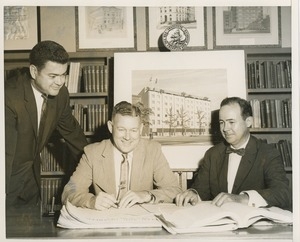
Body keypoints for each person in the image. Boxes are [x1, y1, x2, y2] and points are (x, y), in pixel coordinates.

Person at [5, 40, 88, 207]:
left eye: (63, 74)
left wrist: (97, 169)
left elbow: (74, 135)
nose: (60, 82)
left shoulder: (60, 94)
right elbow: (5, 155)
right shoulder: (8, 97)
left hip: (31, 181)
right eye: (53, 76)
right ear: (34, 71)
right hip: (5, 180)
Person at [62, 101, 182, 210]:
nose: (127, 137)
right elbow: (69, 192)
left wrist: (147, 195)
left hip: (140, 224)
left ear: (140, 129)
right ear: (111, 127)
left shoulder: (152, 150)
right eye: (121, 129)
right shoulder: (92, 153)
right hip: (105, 224)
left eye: (133, 130)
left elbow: (174, 190)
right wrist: (91, 201)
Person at [175, 97, 291, 210]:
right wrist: (193, 193)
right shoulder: (212, 154)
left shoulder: (268, 153)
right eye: (222, 122)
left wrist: (242, 198)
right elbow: (200, 190)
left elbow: (282, 193)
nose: (225, 128)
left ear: (248, 122)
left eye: (231, 122)